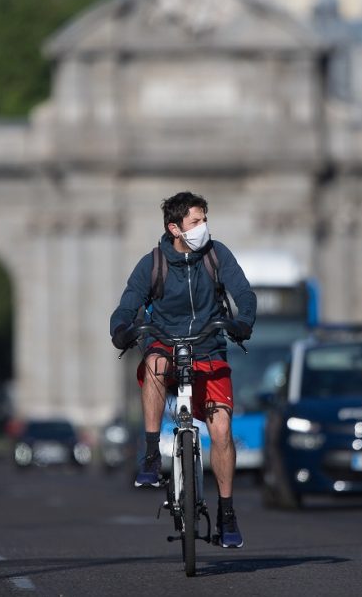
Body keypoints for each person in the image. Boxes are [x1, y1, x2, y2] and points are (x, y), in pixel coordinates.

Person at [109, 191, 256, 549]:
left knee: (221, 429)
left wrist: (242, 322)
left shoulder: (217, 256)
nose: (203, 227)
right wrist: (121, 329)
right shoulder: (152, 264)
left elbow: (244, 294)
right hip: (165, 344)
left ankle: (227, 510)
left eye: (205, 220)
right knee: (155, 363)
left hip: (209, 348)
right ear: (174, 228)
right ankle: (148, 454)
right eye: (195, 222)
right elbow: (127, 304)